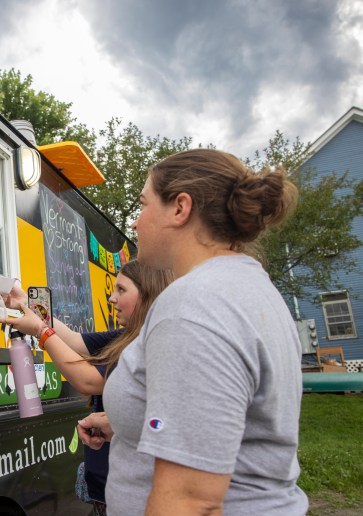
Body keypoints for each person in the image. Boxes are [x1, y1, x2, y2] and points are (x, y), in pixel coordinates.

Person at [79, 148, 308, 515]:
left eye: (143, 204)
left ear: (180, 208)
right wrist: (129, 425)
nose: (135, 223)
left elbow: (190, 501)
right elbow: (228, 420)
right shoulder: (247, 286)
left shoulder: (193, 306)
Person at [0, 260, 171, 515]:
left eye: (121, 290)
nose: (112, 299)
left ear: (148, 295)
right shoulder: (122, 336)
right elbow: (73, 340)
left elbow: (88, 380)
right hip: (105, 491)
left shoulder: (147, 344)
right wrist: (28, 304)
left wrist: (40, 331)